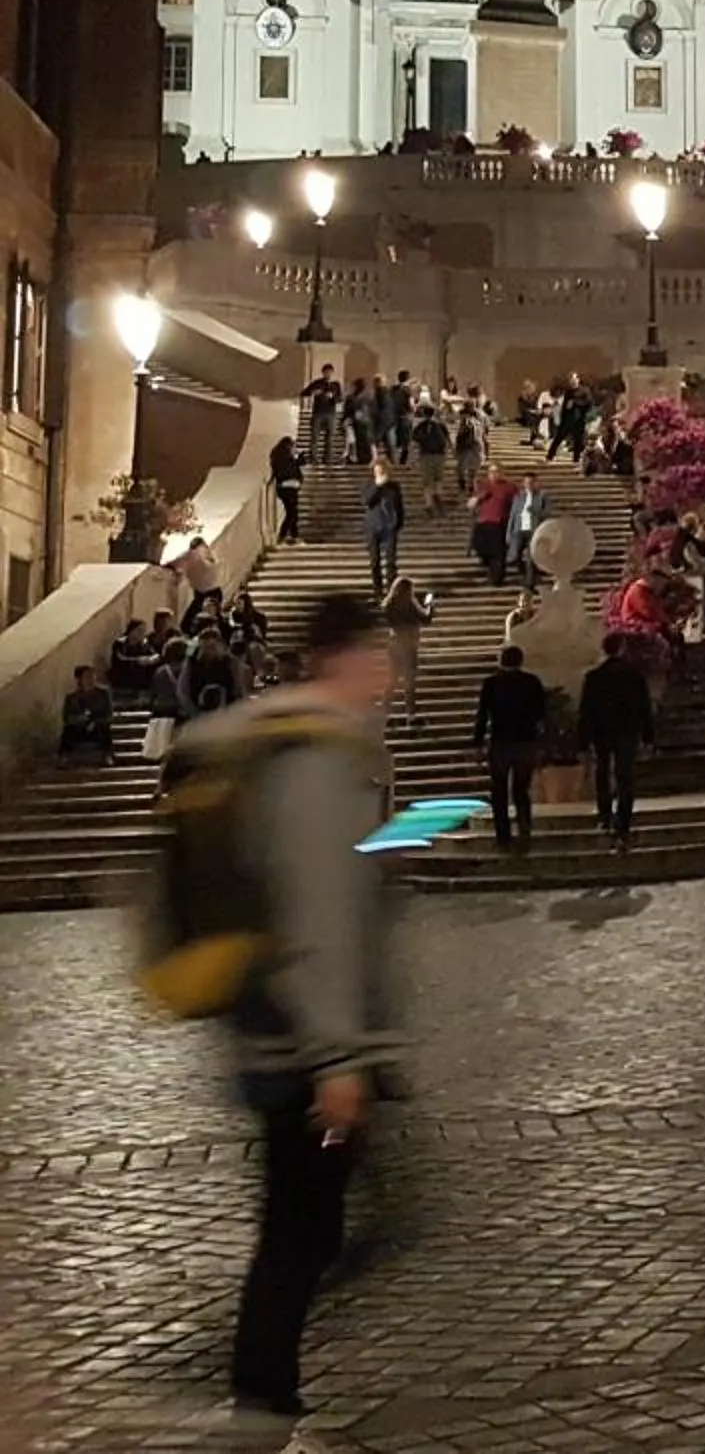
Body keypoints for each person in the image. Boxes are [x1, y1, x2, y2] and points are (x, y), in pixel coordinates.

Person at [214, 592, 396, 1420]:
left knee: (307, 1214)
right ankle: (262, 1388)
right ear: (340, 659)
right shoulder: (318, 761)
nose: (387, 671)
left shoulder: (276, 744)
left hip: (272, 1036)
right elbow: (318, 908)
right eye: (377, 653)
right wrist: (340, 1059)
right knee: (307, 1223)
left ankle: (261, 1377)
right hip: (307, 1053)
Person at [576, 633, 654, 852]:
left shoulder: (594, 677)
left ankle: (604, 816)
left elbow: (586, 712)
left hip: (602, 732)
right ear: (621, 648)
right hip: (627, 730)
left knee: (602, 772)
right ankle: (623, 822)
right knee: (625, 776)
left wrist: (582, 743)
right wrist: (648, 737)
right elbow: (644, 708)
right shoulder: (633, 675)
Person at [471, 643, 550, 855]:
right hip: (525, 742)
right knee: (521, 790)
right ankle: (524, 830)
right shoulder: (531, 682)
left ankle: (503, 837)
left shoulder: (491, 684)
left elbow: (482, 717)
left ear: (501, 661)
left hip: (500, 742)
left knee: (498, 791)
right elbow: (541, 715)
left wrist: (477, 744)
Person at [359, 460, 405, 594]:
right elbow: (366, 501)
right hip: (373, 527)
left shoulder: (394, 486)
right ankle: (377, 590)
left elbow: (399, 506)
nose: (379, 473)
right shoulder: (369, 485)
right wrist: (378, 486)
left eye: (382, 470)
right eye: (377, 470)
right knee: (375, 560)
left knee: (391, 561)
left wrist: (399, 523)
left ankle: (392, 589)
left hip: (389, 526)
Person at [58, 662, 113, 759]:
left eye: (93, 676)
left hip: (97, 727)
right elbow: (67, 718)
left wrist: (94, 722)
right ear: (79, 680)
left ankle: (108, 756)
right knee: (68, 731)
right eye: (87, 677)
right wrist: (80, 719)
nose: (91, 680)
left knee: (104, 729)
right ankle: (64, 757)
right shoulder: (72, 697)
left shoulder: (103, 694)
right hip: (79, 728)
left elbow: (108, 714)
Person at [268, 435, 305, 544]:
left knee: (293, 512)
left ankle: (294, 535)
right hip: (289, 487)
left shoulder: (278, 458)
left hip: (286, 488)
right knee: (292, 513)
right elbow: (293, 469)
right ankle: (283, 535)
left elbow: (302, 463)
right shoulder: (286, 459)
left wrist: (299, 456)